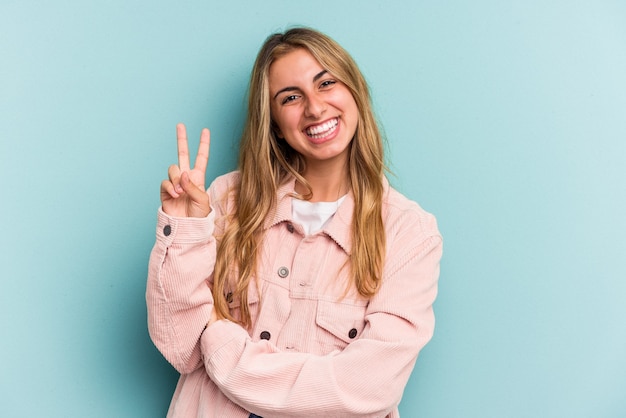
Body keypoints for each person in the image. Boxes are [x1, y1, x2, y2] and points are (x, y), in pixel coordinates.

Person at [147, 27, 442, 418]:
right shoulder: (226, 201)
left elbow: (370, 386)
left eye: (326, 83)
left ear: (354, 91)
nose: (315, 108)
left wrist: (221, 347)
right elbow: (182, 347)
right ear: (273, 121)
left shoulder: (409, 233)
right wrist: (184, 233)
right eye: (291, 97)